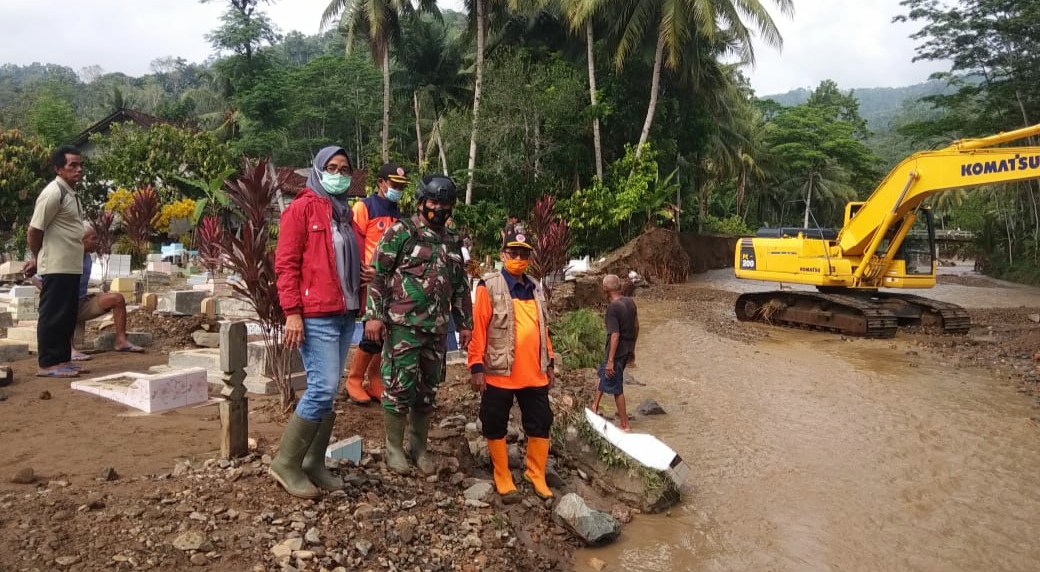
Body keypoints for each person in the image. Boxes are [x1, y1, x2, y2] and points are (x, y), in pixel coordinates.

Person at [365, 174, 473, 475]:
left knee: (427, 391)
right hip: (403, 326)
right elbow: (378, 276)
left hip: (437, 329)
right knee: (399, 387)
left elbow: (460, 286)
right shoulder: (402, 232)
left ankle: (419, 447)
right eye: (434, 202)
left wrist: (465, 324)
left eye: (446, 204)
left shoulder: (453, 241)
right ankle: (394, 448)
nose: (439, 209)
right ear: (422, 202)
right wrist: (373, 316)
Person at [271, 146, 363, 499]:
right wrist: (292, 312)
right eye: (332, 167)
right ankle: (285, 462)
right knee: (322, 388)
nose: (339, 173)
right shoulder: (301, 209)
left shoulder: (345, 215)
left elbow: (339, 262)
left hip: (344, 312)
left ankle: (312, 462)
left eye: (344, 168)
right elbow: (286, 265)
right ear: (318, 170)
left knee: (330, 391)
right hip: (315, 314)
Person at [468, 229, 557, 502]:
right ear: (503, 254)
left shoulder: (535, 286)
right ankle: (502, 474)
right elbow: (478, 328)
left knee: (541, 422)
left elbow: (544, 329)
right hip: (499, 373)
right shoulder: (489, 285)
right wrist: (476, 366)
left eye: (524, 253)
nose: (518, 258)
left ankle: (535, 473)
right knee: (494, 422)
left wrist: (550, 361)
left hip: (534, 373)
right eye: (513, 252)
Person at [343, 162, 407, 405]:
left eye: (401, 186)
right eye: (394, 185)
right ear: (381, 183)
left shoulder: (398, 214)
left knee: (387, 331)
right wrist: (361, 272)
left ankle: (375, 378)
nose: (398, 189)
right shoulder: (364, 207)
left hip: (393, 282)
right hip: (372, 279)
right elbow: (354, 242)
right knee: (372, 331)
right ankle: (354, 379)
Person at [31, 226, 145, 360]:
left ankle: (121, 341)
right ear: (82, 241)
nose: (97, 241)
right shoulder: (65, 257)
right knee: (66, 303)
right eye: (93, 238)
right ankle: (70, 350)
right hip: (64, 305)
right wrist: (51, 295)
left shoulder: (88, 258)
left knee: (117, 299)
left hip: (82, 303)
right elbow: (36, 278)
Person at [25, 145, 87, 378]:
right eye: (73, 165)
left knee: (66, 315)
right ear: (58, 169)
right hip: (56, 265)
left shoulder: (70, 193)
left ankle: (62, 360)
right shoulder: (53, 193)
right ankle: (48, 363)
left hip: (71, 266)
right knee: (53, 314)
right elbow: (34, 229)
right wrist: (38, 257)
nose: (79, 169)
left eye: (80, 165)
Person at [591, 274, 639, 432]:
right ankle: (594, 407)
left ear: (605, 289)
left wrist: (611, 359)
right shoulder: (629, 302)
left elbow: (615, 335)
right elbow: (636, 326)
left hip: (616, 353)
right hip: (626, 349)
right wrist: (632, 349)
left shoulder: (613, 308)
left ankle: (625, 424)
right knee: (602, 374)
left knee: (616, 388)